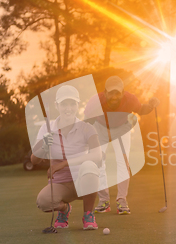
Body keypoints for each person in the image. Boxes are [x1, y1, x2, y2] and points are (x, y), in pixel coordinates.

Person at [84, 75, 160, 215]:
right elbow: (87, 119)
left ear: (123, 92)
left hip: (122, 128)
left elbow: (141, 109)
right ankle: (104, 200)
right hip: (101, 127)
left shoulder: (130, 99)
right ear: (105, 92)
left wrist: (151, 105)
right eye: (111, 92)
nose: (114, 96)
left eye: (117, 93)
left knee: (123, 161)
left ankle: (122, 200)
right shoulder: (96, 101)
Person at [31, 85, 102, 230]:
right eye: (63, 104)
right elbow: (34, 160)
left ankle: (88, 215)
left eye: (72, 104)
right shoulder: (47, 128)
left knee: (90, 166)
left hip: (82, 181)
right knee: (43, 202)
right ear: (57, 105)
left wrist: (62, 164)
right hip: (61, 184)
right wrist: (43, 147)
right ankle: (64, 210)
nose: (68, 108)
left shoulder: (87, 127)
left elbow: (97, 155)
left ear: (77, 105)